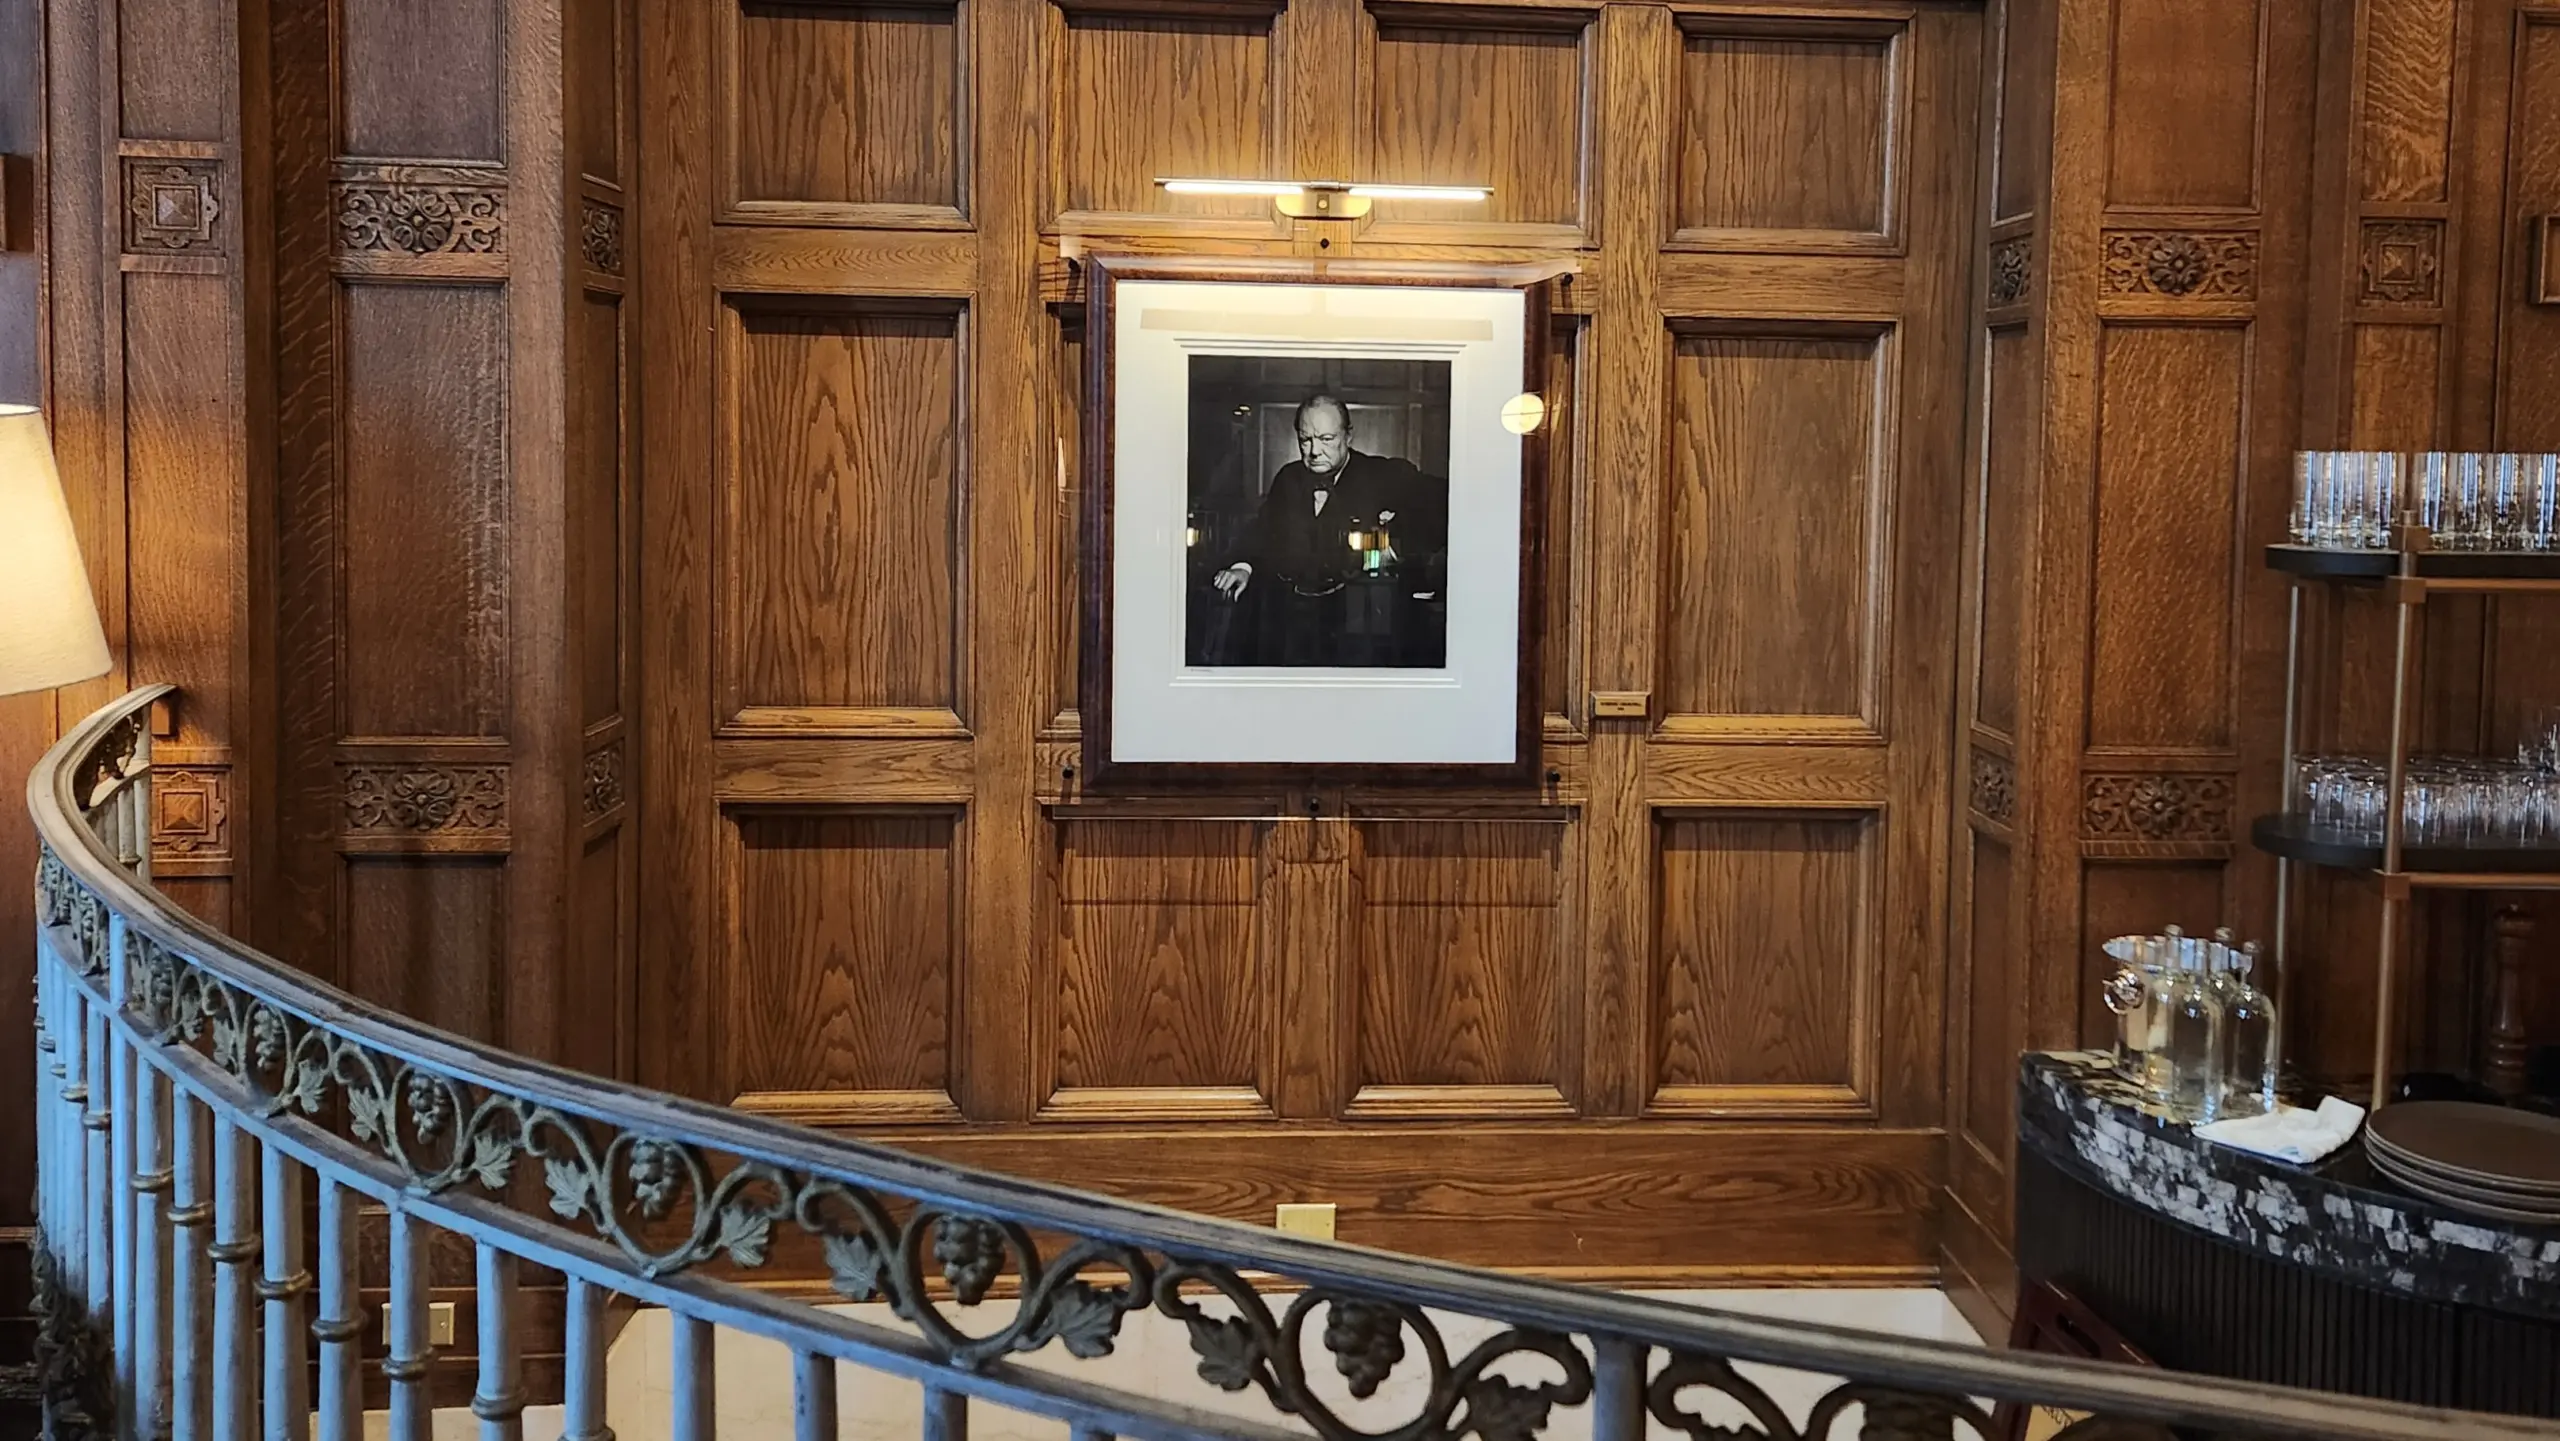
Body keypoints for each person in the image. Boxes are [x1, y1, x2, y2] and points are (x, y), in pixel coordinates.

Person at [1210, 395, 1447, 666]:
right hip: (1294, 625)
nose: (1314, 451)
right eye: (1305, 439)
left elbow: (1445, 504)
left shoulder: (1385, 474)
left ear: (1348, 437)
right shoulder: (1288, 477)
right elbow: (1262, 530)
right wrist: (1243, 566)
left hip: (1361, 627)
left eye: (1326, 439)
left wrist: (1397, 544)